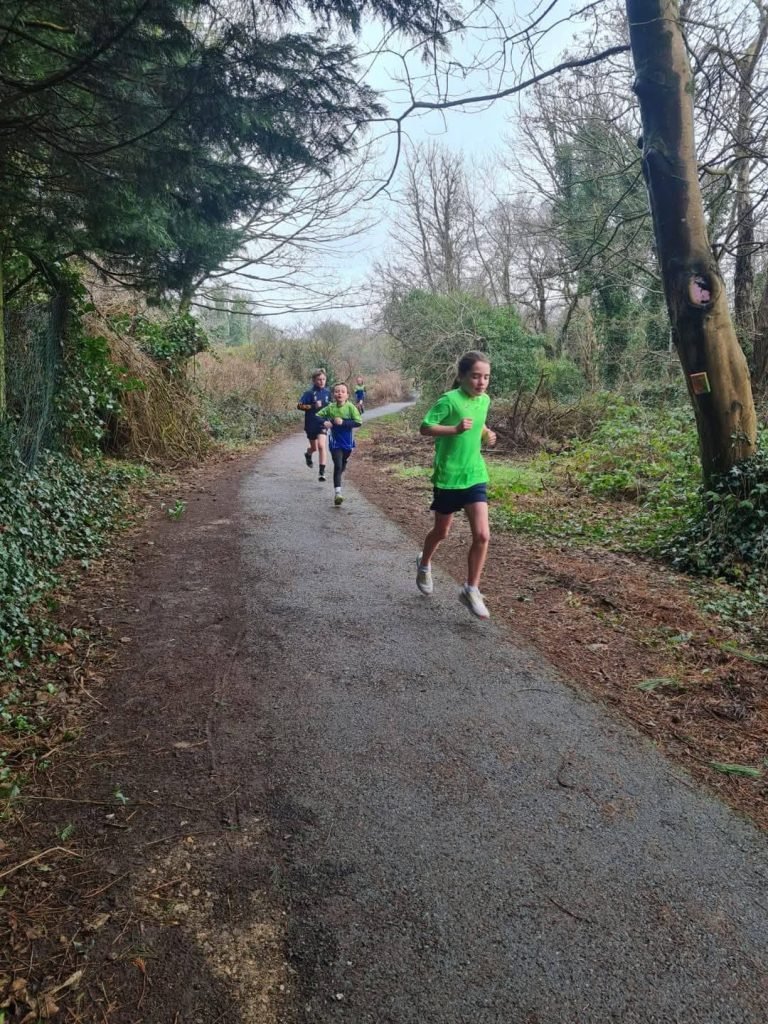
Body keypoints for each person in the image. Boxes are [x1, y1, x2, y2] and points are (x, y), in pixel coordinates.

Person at [415, 351, 497, 619]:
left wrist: (486, 434)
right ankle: (424, 563)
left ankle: (471, 589)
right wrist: (455, 430)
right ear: (462, 376)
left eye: (486, 377)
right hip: (448, 477)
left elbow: (479, 424)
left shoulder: (485, 400)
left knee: (482, 535)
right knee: (441, 532)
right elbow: (425, 427)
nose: (481, 382)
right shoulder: (449, 400)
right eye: (475, 376)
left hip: (474, 474)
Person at [316, 382, 362, 506]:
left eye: (342, 391)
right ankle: (338, 493)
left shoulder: (351, 407)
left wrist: (343, 422)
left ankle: (343, 464)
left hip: (347, 442)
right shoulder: (330, 407)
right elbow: (317, 417)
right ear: (333, 394)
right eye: (337, 391)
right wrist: (326, 422)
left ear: (347, 395)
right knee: (338, 465)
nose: (339, 393)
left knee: (343, 463)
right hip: (335, 442)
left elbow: (358, 422)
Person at [297, 369, 331, 481]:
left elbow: (332, 407)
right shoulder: (309, 393)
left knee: (321, 445)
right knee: (314, 448)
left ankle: (322, 473)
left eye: (323, 379)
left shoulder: (328, 393)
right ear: (314, 380)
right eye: (319, 379)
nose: (322, 381)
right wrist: (312, 406)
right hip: (311, 424)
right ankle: (308, 454)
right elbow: (299, 406)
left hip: (322, 424)